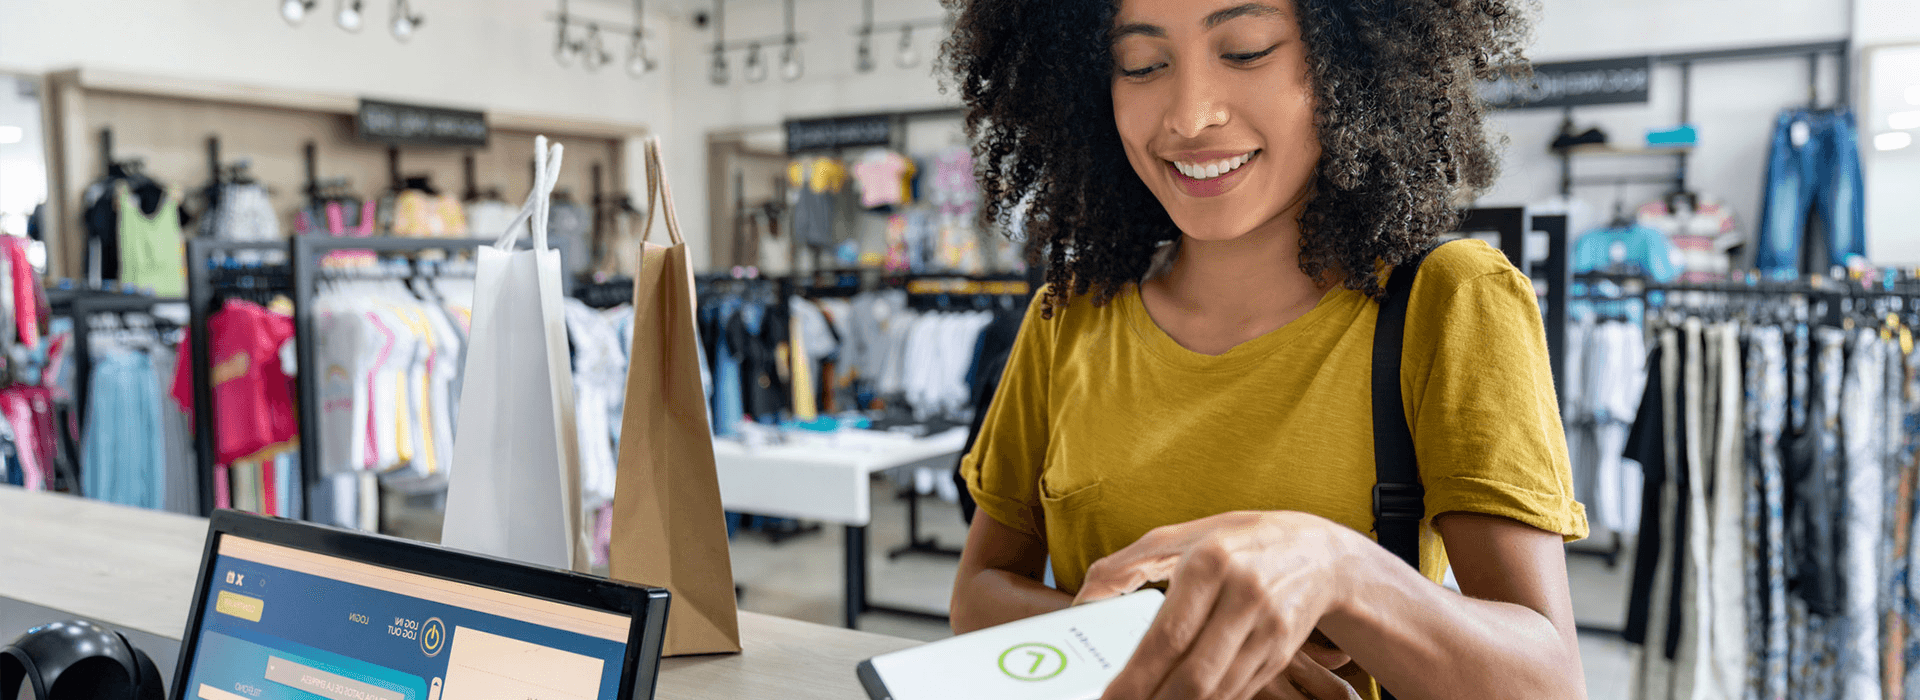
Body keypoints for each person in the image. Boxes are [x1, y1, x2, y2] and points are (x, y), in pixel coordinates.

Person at [942, 1, 1590, 699]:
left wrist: (1338, 570)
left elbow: (1546, 683)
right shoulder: (1068, 314)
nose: (1190, 115)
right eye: (1142, 65)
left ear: (1356, 60)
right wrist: (1168, 639)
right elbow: (977, 597)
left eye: (1247, 51)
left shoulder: (1449, 301)